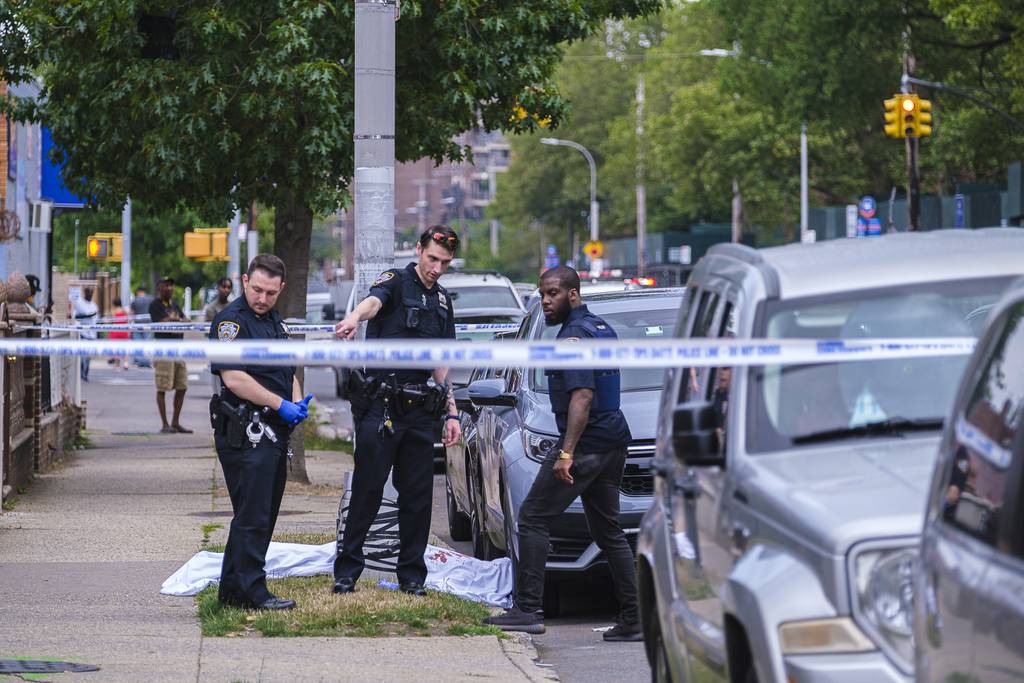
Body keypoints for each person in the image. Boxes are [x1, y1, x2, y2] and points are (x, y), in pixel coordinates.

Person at [483, 266, 640, 641]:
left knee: (533, 516)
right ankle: (635, 618)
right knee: (608, 530)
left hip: (586, 444)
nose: (545, 301)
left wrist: (566, 453)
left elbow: (582, 397)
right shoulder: (600, 328)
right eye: (542, 294)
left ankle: (528, 610)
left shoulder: (574, 337)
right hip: (613, 440)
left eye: (552, 294)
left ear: (573, 294)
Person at [332, 225, 462, 597]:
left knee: (418, 496)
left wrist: (451, 411)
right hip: (383, 407)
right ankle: (347, 572)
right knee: (368, 490)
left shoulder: (442, 302)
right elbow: (373, 302)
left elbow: (442, 362)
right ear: (419, 250)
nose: (437, 268)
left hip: (422, 409)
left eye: (445, 263)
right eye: (432, 258)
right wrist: (355, 318)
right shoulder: (395, 280)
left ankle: (411, 577)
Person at [209, 253, 314, 611]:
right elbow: (234, 377)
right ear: (244, 281)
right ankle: (253, 590)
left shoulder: (276, 323)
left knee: (261, 514)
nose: (262, 298)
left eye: (271, 292)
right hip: (245, 429)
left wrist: (297, 400)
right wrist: (278, 403)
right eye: (257, 290)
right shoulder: (231, 323)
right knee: (253, 515)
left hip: (273, 430)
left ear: (281, 289)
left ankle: (232, 592)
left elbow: (288, 369)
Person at [149, 277, 192, 433]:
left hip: (178, 350)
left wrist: (179, 320)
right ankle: (164, 424)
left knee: (182, 386)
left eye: (171, 286)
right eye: (166, 285)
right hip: (163, 350)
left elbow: (185, 320)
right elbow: (159, 322)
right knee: (162, 387)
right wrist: (174, 319)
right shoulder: (155, 305)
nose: (169, 288)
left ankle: (175, 422)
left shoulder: (174, 305)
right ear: (159, 288)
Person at [72, 287, 100, 381]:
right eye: (88, 293)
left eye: (91, 293)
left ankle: (85, 373)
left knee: (88, 357)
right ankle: (82, 374)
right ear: (85, 293)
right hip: (82, 334)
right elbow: (80, 315)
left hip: (91, 335)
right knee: (82, 356)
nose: (90, 295)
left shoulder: (94, 305)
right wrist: (90, 315)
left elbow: (96, 319)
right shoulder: (79, 303)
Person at [131, 286, 154, 368]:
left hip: (138, 325)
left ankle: (140, 362)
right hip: (148, 324)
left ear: (138, 292)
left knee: (138, 343)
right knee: (148, 343)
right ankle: (147, 362)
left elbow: (132, 313)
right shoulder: (151, 299)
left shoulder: (135, 300)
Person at [107, 297, 131, 370]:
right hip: (124, 331)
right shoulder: (125, 311)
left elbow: (109, 321)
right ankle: (126, 363)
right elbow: (128, 320)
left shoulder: (113, 311)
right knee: (125, 348)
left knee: (116, 348)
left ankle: (117, 365)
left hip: (115, 332)